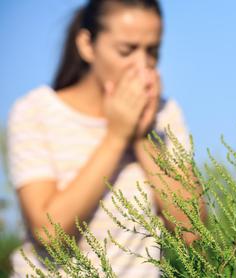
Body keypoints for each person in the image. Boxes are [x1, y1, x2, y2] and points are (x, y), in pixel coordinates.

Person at [6, 0, 205, 276]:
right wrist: (116, 136)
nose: (142, 66)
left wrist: (142, 137)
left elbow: (193, 232)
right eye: (127, 50)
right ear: (87, 45)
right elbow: (49, 233)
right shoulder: (36, 111)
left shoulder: (165, 115)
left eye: (153, 52)